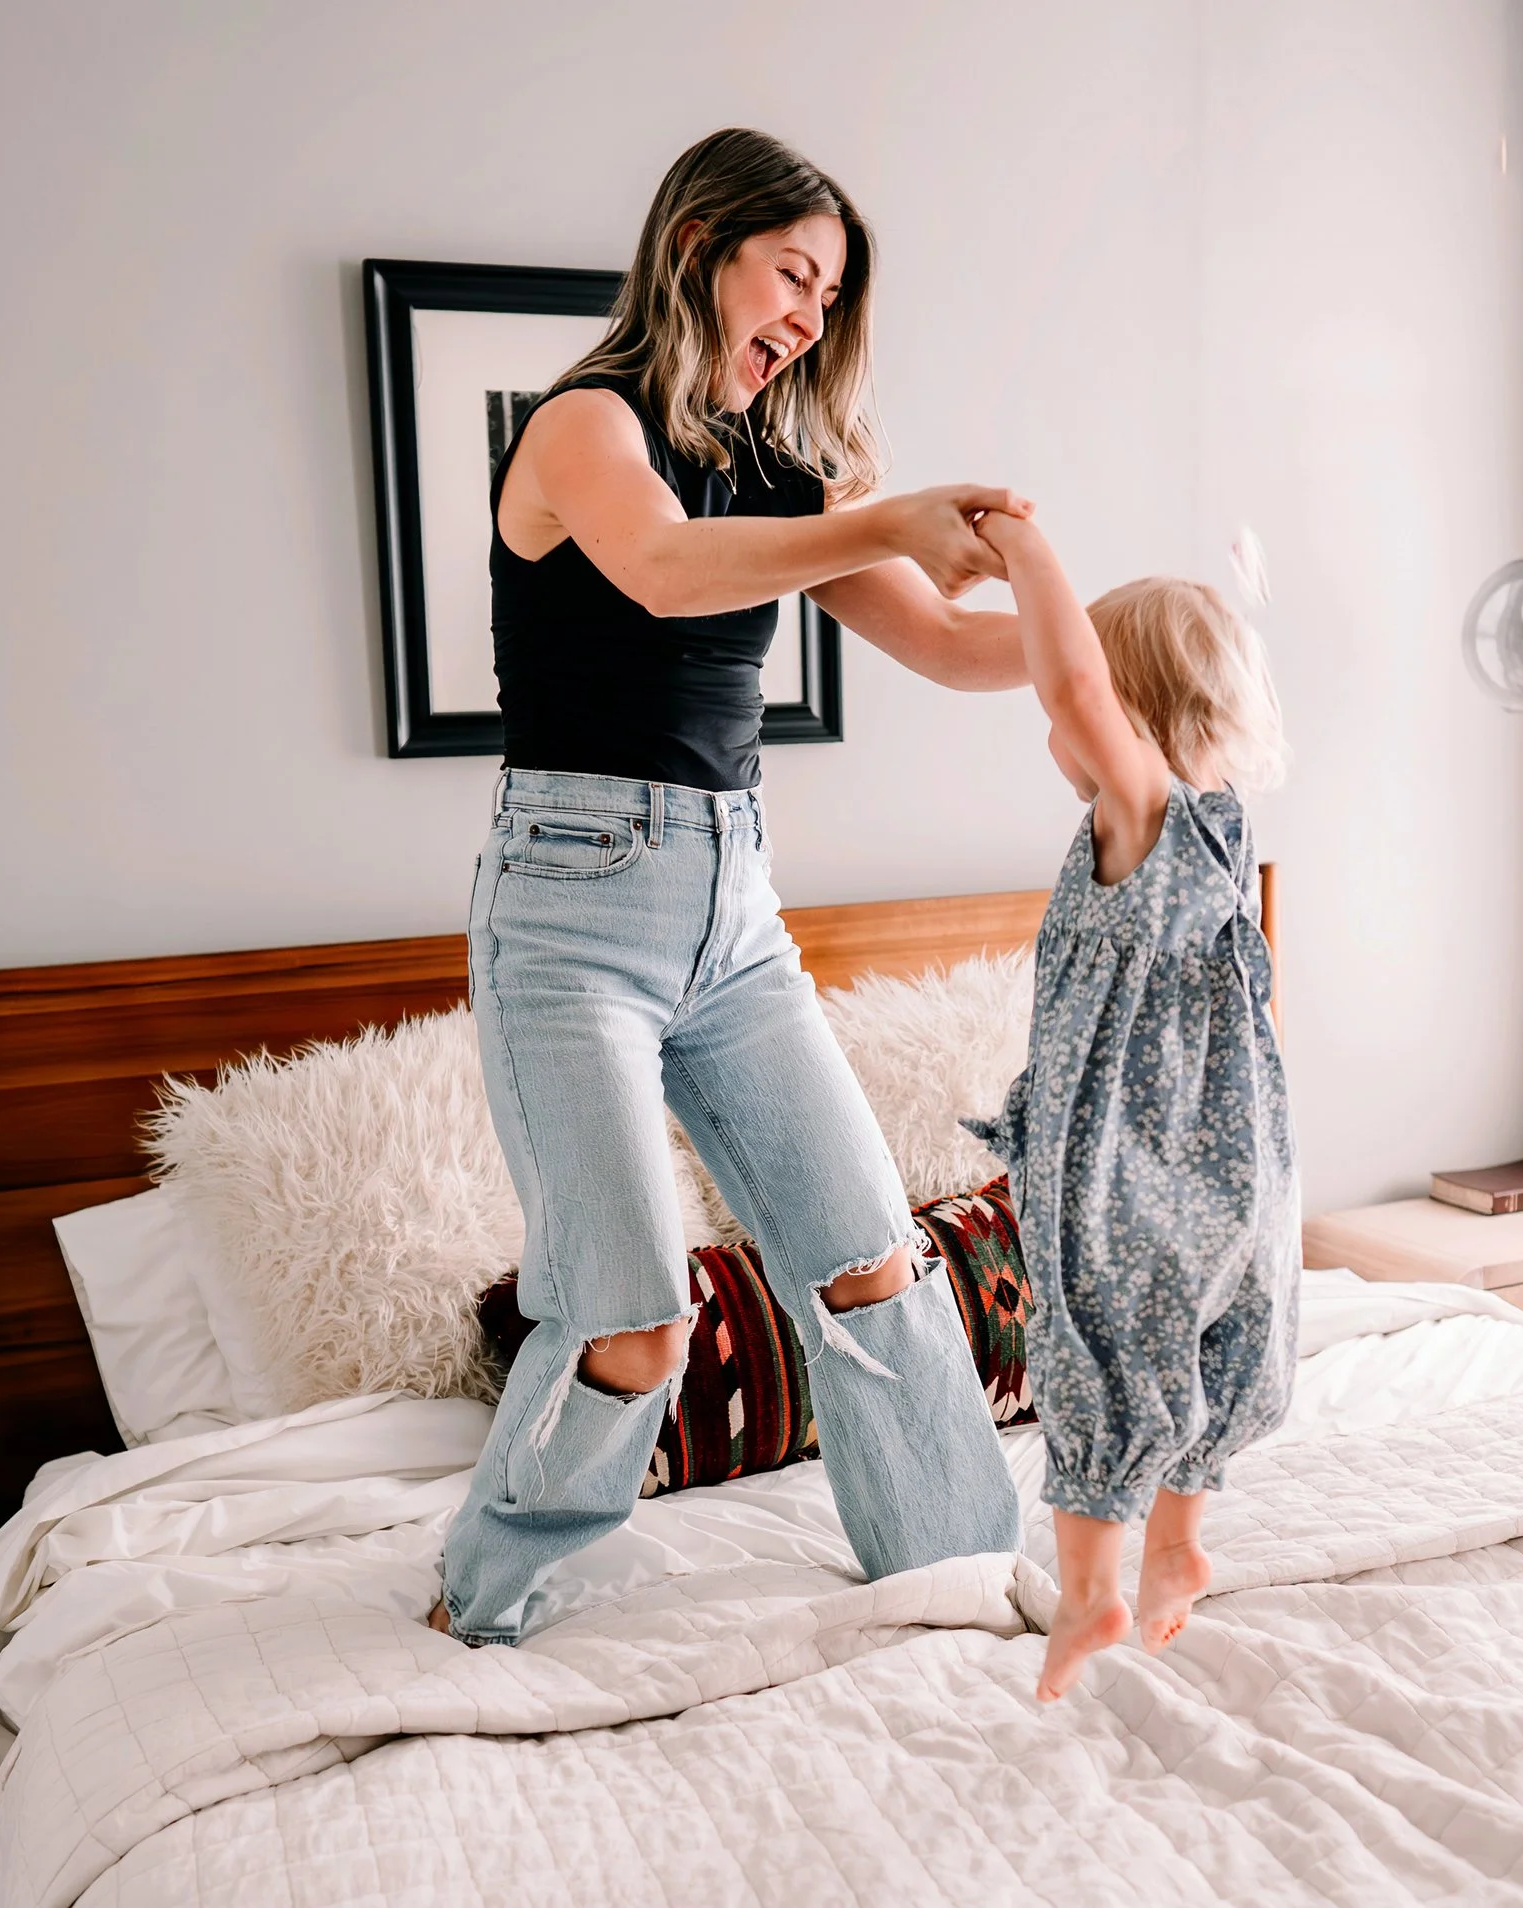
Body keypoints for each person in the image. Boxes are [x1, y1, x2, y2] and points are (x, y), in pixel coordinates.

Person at [438, 128, 1027, 1643]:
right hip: (568, 917)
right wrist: (884, 518)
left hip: (736, 913)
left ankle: (955, 1582)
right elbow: (664, 570)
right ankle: (483, 1610)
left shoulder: (785, 474)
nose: (810, 322)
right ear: (700, 240)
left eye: (831, 302)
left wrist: (1129, 640)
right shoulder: (584, 428)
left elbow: (960, 651)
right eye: (795, 276)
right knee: (633, 1316)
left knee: (871, 1267)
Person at [962, 512, 1298, 1703]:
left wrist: (1027, 557)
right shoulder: (1224, 831)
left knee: (1099, 1352)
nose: (1057, 727)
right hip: (1240, 1171)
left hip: (1127, 1162)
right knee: (1202, 1350)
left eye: (1076, 710)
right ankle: (1176, 1541)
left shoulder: (1140, 810)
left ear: (1125, 709)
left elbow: (1070, 678)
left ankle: (1091, 1594)